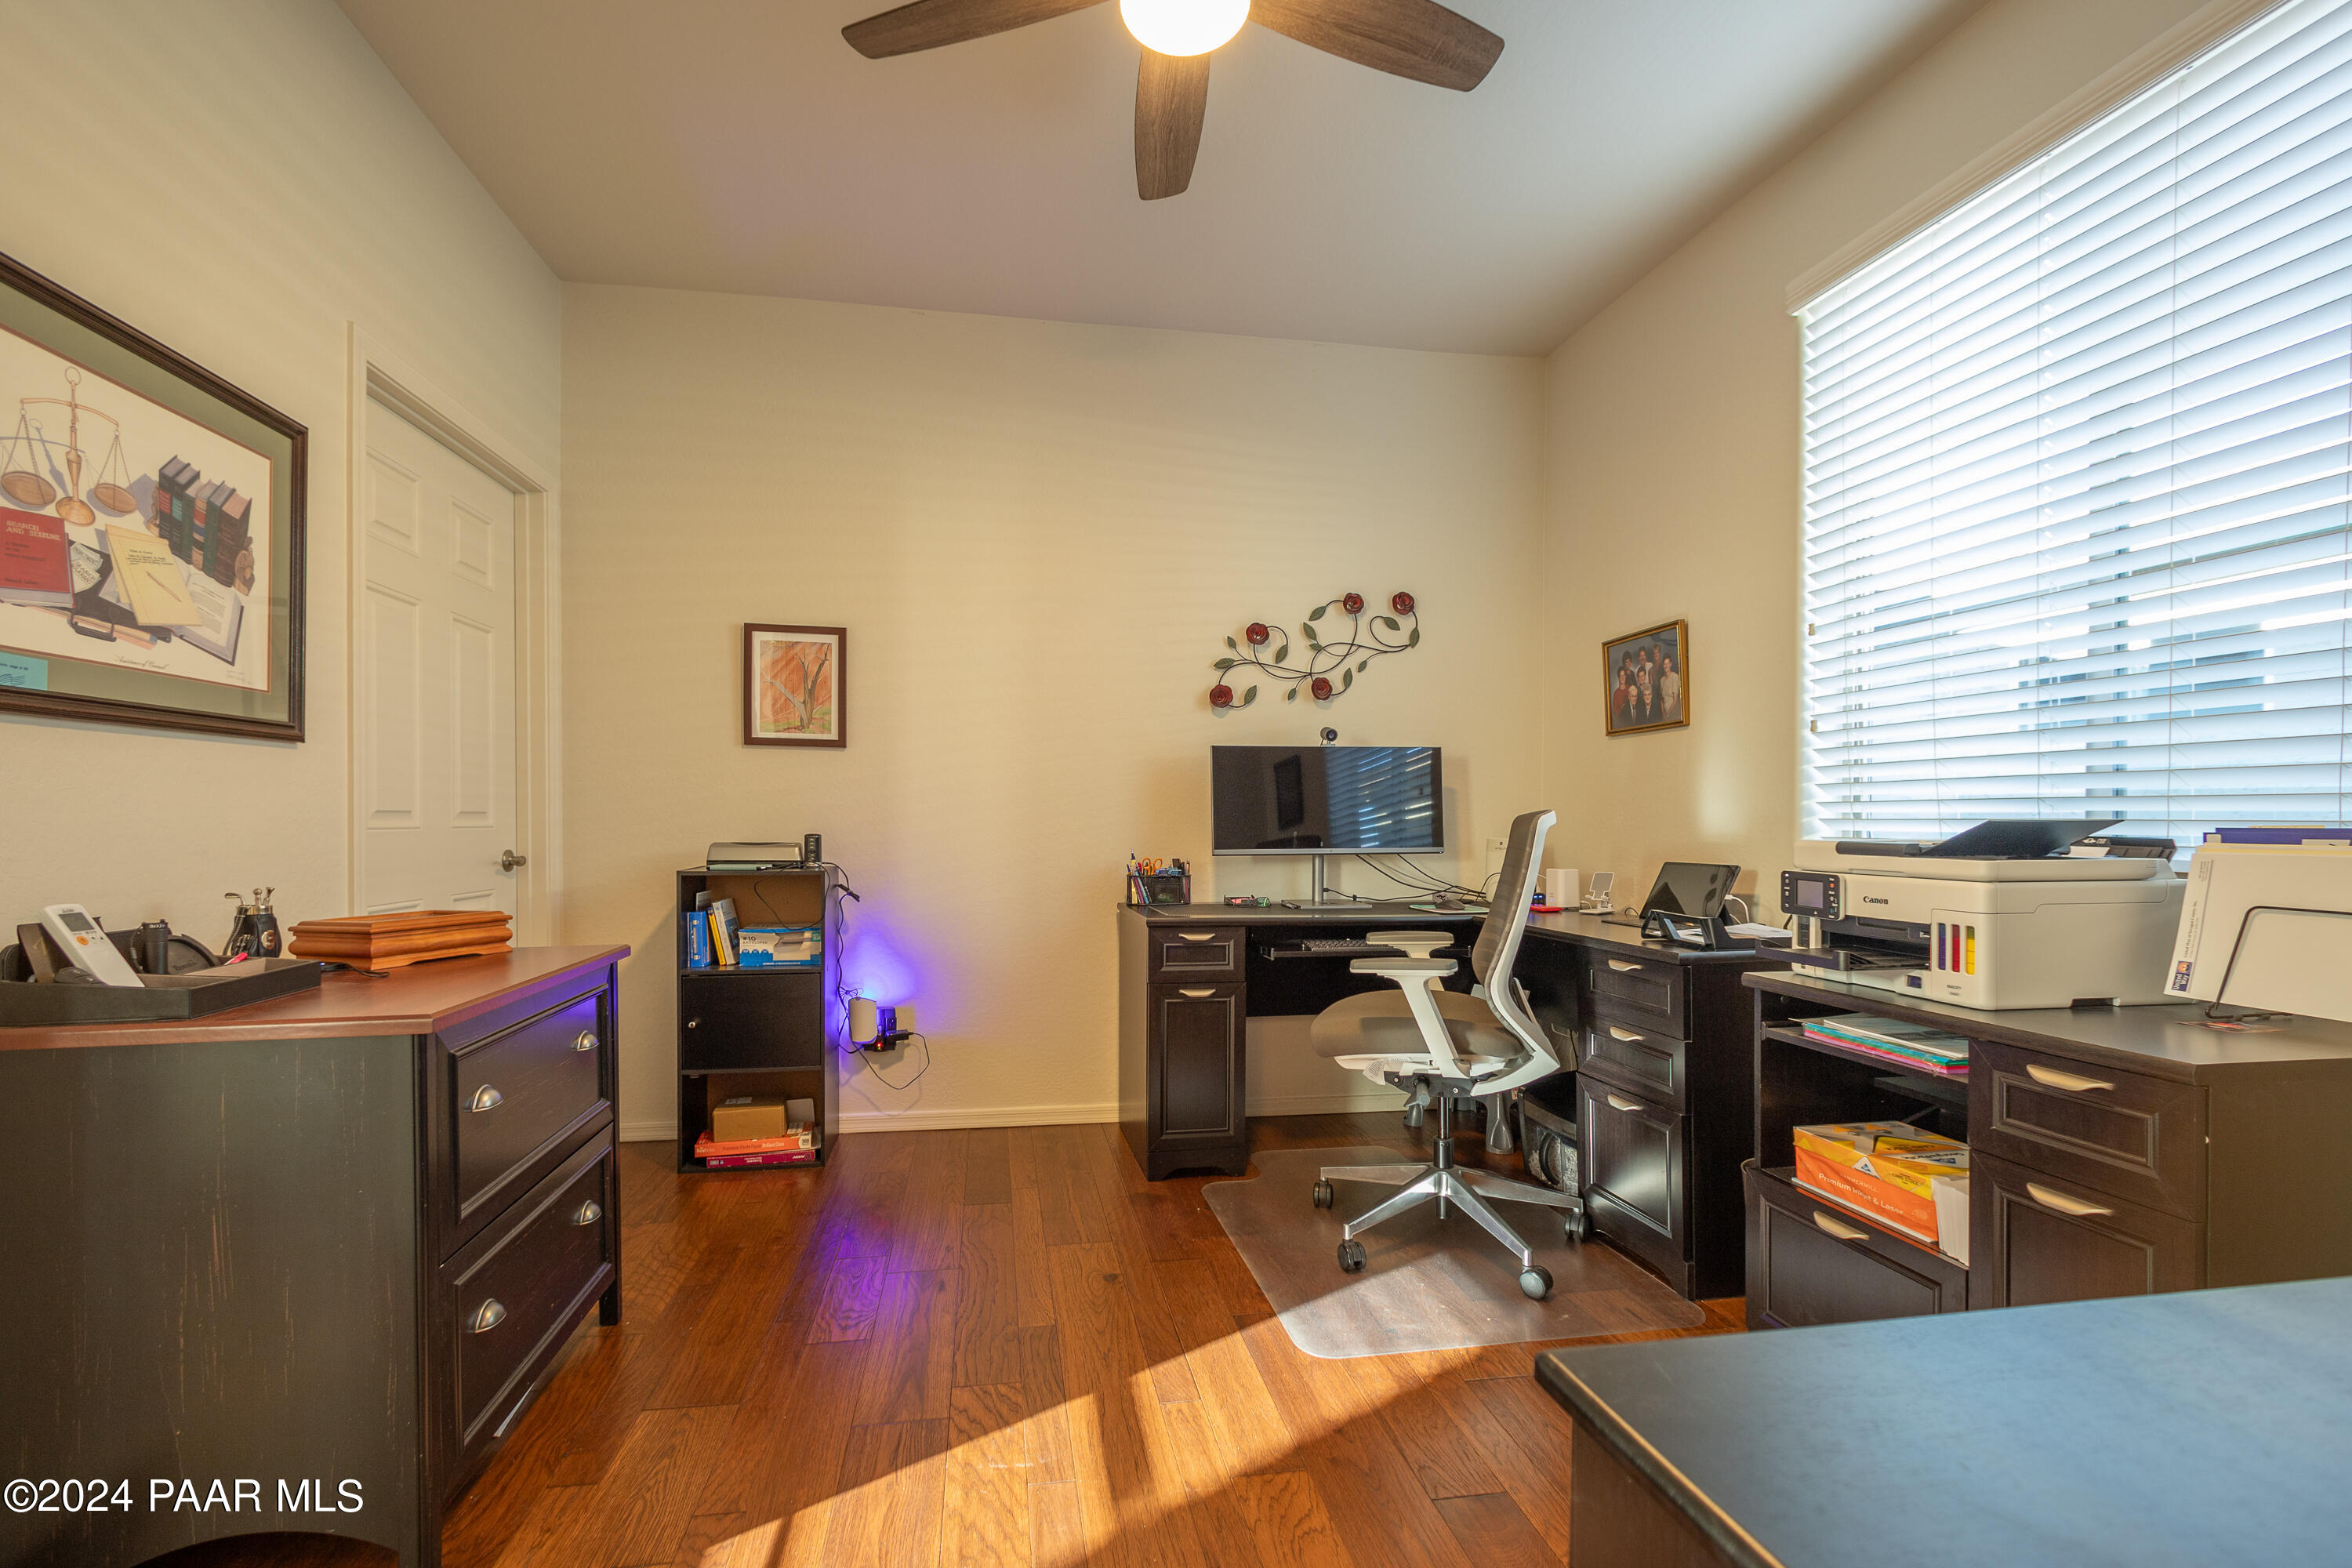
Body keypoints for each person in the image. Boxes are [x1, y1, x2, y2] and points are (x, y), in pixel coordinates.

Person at [1660, 653, 1682, 720]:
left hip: (1673, 713)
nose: (1666, 666)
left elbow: (1675, 700)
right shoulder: (1662, 680)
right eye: (1664, 664)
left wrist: (1668, 714)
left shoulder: (1675, 677)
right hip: (1665, 714)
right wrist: (1663, 713)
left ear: (1670, 664)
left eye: (1667, 664)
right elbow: (1661, 700)